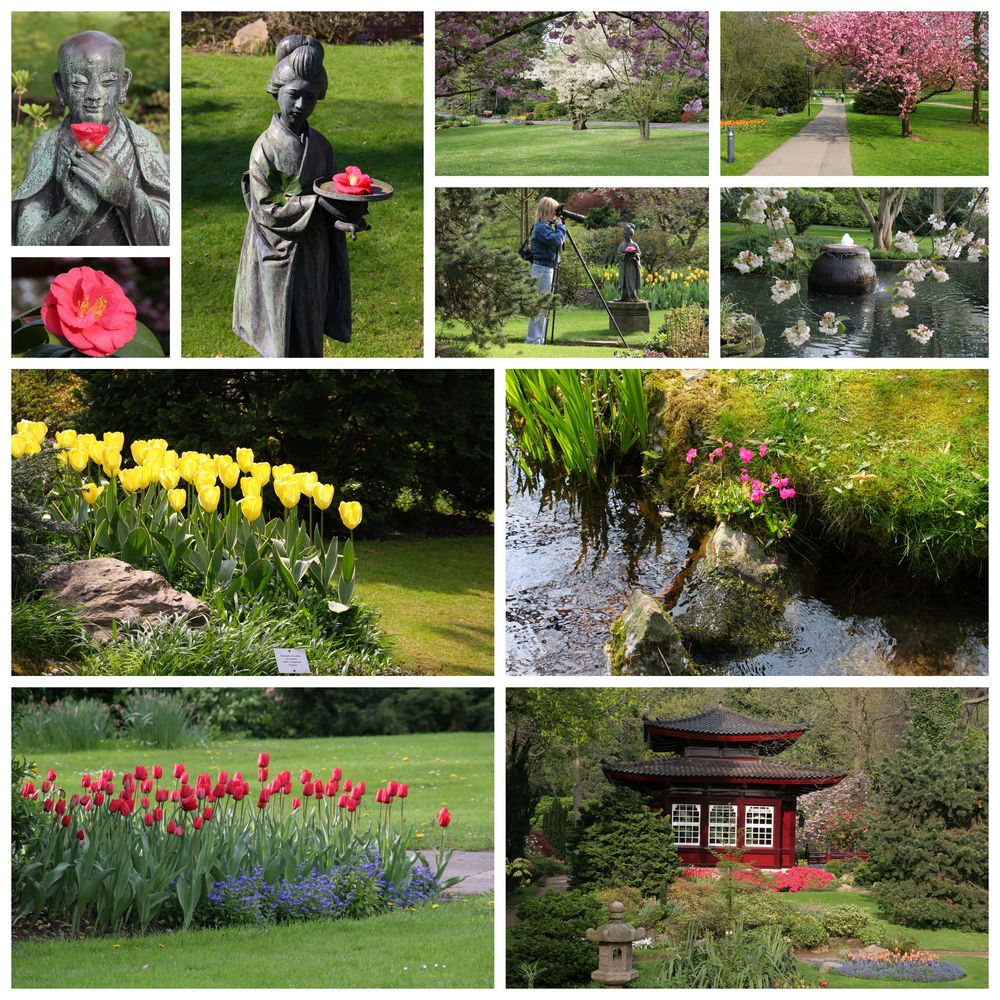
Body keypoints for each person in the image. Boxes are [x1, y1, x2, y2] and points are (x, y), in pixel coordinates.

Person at [233, 35, 359, 357]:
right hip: (277, 251)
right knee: (281, 334)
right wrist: (315, 204)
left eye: (311, 98)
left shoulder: (320, 145)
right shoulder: (265, 147)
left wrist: (347, 218)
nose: (301, 106)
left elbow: (332, 194)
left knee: (310, 324)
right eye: (294, 96)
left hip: (315, 250)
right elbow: (266, 208)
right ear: (277, 91)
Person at [13, 30, 169, 246]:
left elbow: (168, 231)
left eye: (108, 82)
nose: (94, 95)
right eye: (78, 84)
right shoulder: (49, 146)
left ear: (123, 84)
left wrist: (125, 195)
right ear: (60, 86)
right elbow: (26, 244)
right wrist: (76, 214)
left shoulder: (142, 143)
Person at [524, 197, 567, 345]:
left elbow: (557, 242)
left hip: (545, 269)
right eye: (554, 211)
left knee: (542, 307)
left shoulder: (544, 227)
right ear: (548, 210)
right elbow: (556, 242)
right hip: (542, 270)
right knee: (540, 307)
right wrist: (561, 227)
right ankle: (534, 341)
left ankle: (538, 340)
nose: (555, 214)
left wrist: (559, 228)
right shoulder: (541, 228)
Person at [616, 223, 642, 301]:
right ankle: (624, 297)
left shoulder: (634, 244)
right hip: (625, 266)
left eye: (627, 234)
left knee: (631, 281)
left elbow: (639, 253)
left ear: (630, 235)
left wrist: (635, 255)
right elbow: (619, 254)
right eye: (624, 234)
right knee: (624, 281)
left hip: (632, 266)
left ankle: (633, 296)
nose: (625, 236)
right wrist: (626, 255)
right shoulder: (621, 245)